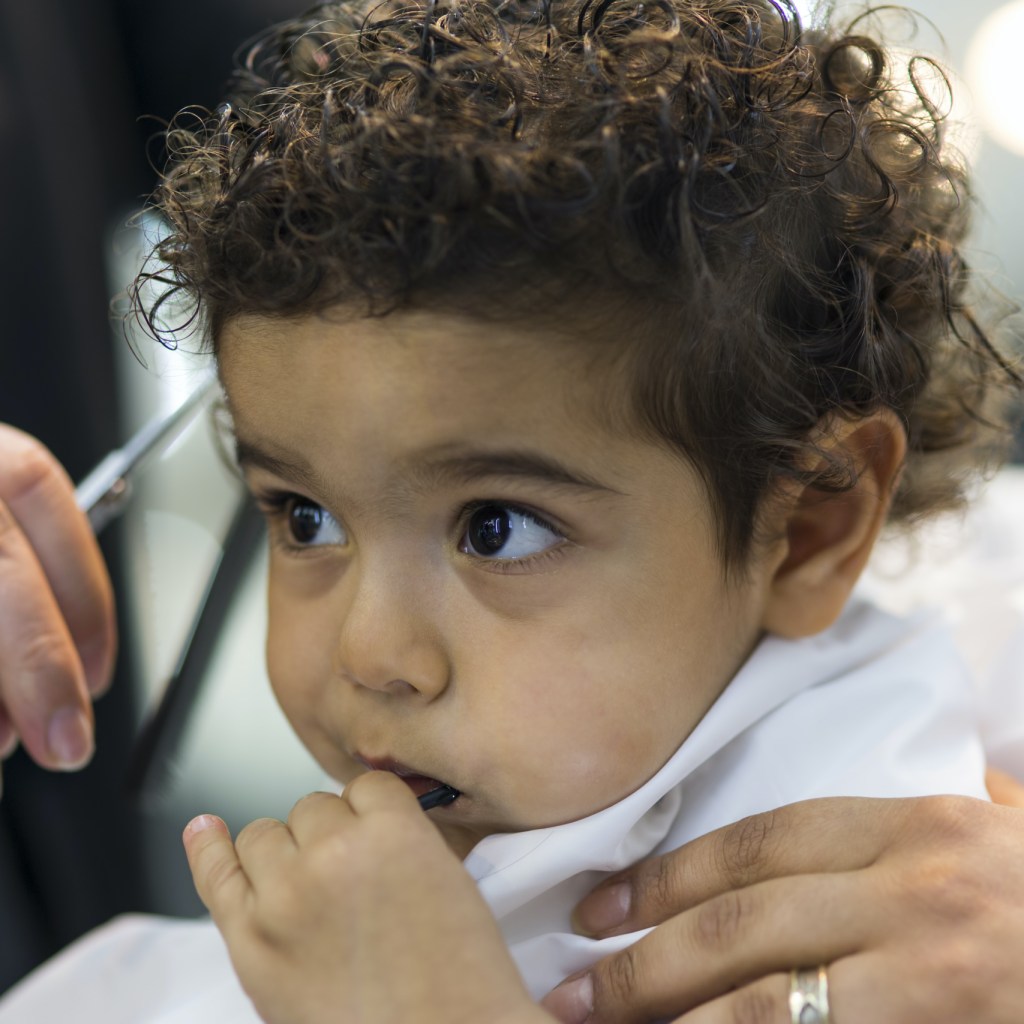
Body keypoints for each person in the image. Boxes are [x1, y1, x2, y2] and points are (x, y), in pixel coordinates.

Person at [2, 2, 1024, 1023]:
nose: (370, 652)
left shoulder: (939, 915)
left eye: (496, 527)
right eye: (304, 516)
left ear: (806, 529)